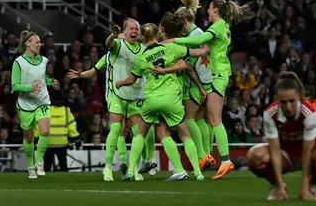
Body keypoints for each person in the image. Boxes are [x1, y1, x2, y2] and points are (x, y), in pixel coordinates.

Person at [162, 0, 250, 179]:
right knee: (210, 118)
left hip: (217, 76)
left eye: (209, 9)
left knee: (215, 119)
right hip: (219, 75)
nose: (207, 12)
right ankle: (217, 159)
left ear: (216, 10)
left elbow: (201, 39)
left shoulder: (217, 26)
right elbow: (207, 46)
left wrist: (174, 40)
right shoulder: (224, 26)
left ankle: (225, 161)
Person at [116, 22, 209, 181]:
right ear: (157, 34)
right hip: (172, 98)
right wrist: (209, 45)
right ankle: (198, 173)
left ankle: (131, 170)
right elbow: (197, 53)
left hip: (151, 99)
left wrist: (120, 83)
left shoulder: (141, 56)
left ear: (143, 37)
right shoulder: (171, 48)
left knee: (141, 133)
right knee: (185, 135)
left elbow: (132, 79)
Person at [69, 21, 156, 181]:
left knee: (138, 133)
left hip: (135, 96)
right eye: (131, 29)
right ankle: (108, 167)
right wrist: (113, 35)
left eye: (137, 29)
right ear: (124, 31)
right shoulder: (117, 47)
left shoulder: (143, 50)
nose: (134, 31)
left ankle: (134, 168)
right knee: (116, 130)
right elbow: (107, 45)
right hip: (117, 94)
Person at [151, 0, 216, 171]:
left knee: (190, 119)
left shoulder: (193, 37)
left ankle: (203, 156)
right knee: (203, 119)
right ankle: (208, 154)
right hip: (207, 80)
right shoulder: (199, 33)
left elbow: (190, 62)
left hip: (198, 82)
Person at [246, 71, 316, 201]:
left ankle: (312, 185)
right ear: (277, 99)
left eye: (292, 101)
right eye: (283, 102)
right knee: (254, 156)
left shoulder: (310, 112)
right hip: (284, 155)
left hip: (308, 154)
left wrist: (303, 189)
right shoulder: (270, 113)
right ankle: (276, 186)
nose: (288, 107)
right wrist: (280, 185)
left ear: (299, 97)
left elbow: (307, 152)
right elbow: (275, 151)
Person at [11, 30, 57, 178]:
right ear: (27, 43)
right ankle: (30, 166)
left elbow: (43, 79)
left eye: (39, 42)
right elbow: (14, 85)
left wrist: (51, 82)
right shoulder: (18, 62)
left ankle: (39, 162)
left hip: (42, 101)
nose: (39, 44)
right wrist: (28, 88)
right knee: (28, 137)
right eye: (36, 42)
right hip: (26, 104)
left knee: (45, 132)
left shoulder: (43, 60)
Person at [35, 87, 80, 172]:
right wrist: (76, 138)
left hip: (47, 143)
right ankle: (65, 183)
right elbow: (71, 126)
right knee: (63, 165)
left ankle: (46, 183)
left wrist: (35, 137)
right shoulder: (66, 111)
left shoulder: (45, 110)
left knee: (47, 166)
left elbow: (39, 126)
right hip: (62, 143)